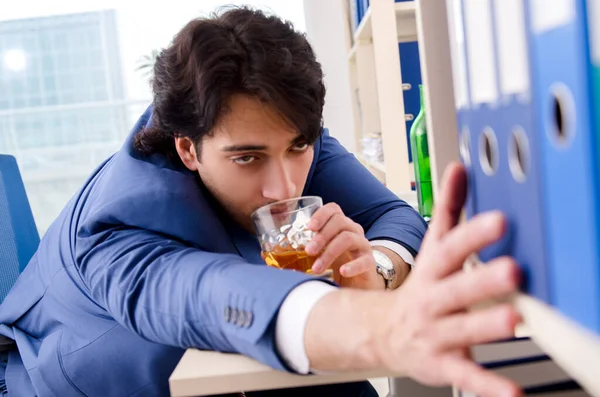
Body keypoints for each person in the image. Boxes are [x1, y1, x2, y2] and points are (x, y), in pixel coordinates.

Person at [0, 6, 522, 397]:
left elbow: (392, 216)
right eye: (248, 159)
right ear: (188, 148)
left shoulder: (279, 136)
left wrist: (376, 268)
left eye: (299, 146)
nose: (285, 186)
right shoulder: (114, 226)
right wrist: (378, 326)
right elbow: (210, 296)